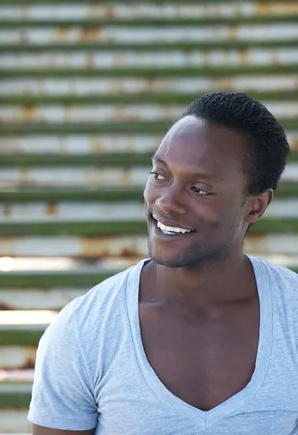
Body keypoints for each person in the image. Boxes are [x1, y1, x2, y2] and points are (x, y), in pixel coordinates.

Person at [28, 92, 298, 435]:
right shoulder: (85, 330)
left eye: (199, 189)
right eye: (160, 175)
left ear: (255, 207)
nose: (166, 203)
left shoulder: (292, 316)